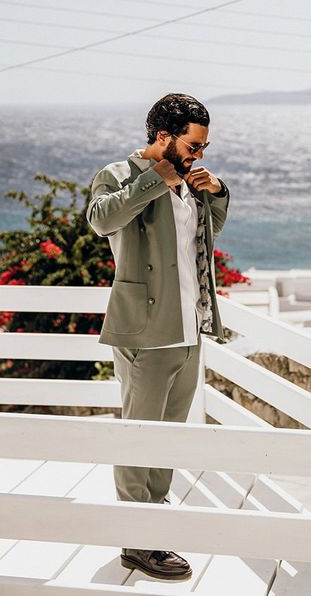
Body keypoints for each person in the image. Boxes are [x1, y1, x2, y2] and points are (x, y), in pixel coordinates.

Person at [87, 93, 230, 581]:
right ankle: (137, 540)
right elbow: (101, 219)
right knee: (139, 436)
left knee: (169, 437)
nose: (199, 155)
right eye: (193, 146)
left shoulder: (192, 181)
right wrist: (156, 179)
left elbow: (204, 240)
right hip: (146, 330)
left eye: (204, 147)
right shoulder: (119, 174)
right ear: (164, 136)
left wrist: (215, 191)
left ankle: (157, 522)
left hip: (188, 326)